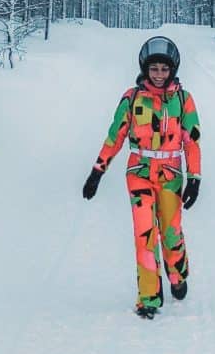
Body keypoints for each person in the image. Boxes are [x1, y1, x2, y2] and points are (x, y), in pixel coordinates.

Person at [82, 35, 202, 319]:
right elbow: (116, 135)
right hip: (139, 173)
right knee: (144, 234)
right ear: (144, 69)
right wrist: (97, 170)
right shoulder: (131, 98)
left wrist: (194, 178)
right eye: (153, 68)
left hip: (171, 175)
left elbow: (192, 140)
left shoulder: (183, 99)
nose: (159, 74)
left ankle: (177, 273)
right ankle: (149, 297)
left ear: (172, 69)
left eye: (164, 68)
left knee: (171, 233)